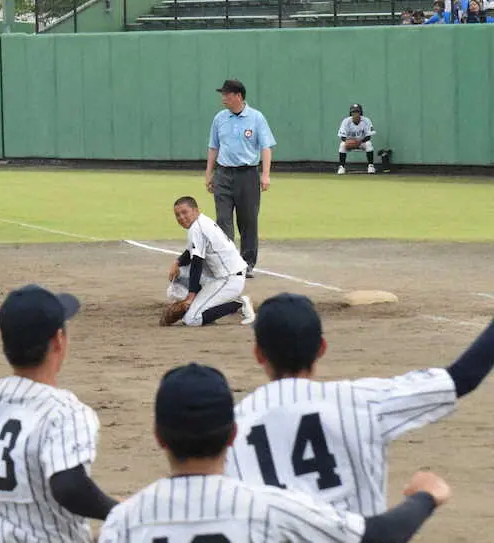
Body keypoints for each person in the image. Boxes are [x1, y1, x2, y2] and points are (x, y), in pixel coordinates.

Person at [98, 363, 451, 543]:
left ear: (159, 436)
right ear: (233, 434)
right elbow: (377, 535)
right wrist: (426, 496)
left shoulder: (124, 522)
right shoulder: (273, 506)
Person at [224, 293, 494, 516]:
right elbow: (463, 378)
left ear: (258, 354)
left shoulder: (232, 426)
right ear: (321, 348)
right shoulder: (361, 401)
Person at [0, 285, 117, 542]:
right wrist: (121, 510)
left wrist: (4, 499)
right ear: (58, 341)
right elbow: (70, 487)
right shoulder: (65, 411)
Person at [205, 79, 276, 278]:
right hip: (223, 174)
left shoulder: (256, 118)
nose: (223, 98)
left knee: (248, 221)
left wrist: (266, 174)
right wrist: (209, 173)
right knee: (223, 220)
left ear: (238, 96)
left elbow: (266, 147)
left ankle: (247, 264)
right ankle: (227, 263)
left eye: (226, 94)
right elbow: (213, 147)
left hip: (248, 174)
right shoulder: (220, 118)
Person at [162, 196, 255, 327]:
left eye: (185, 212)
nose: (181, 217)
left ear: (195, 210)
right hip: (221, 276)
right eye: (177, 215)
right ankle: (205, 305)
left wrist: (191, 295)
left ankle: (239, 304)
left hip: (229, 280)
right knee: (179, 274)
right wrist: (177, 262)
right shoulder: (201, 221)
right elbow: (191, 252)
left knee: (192, 319)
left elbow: (196, 263)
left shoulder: (197, 228)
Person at [337, 103, 376, 175]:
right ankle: (341, 167)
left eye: (357, 112)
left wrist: (359, 141)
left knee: (369, 144)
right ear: (350, 113)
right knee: (342, 145)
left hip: (362, 142)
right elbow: (342, 137)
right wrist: (349, 141)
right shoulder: (346, 121)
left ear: (360, 112)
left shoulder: (366, 121)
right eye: (353, 112)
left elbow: (369, 136)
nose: (355, 114)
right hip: (350, 143)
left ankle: (371, 166)